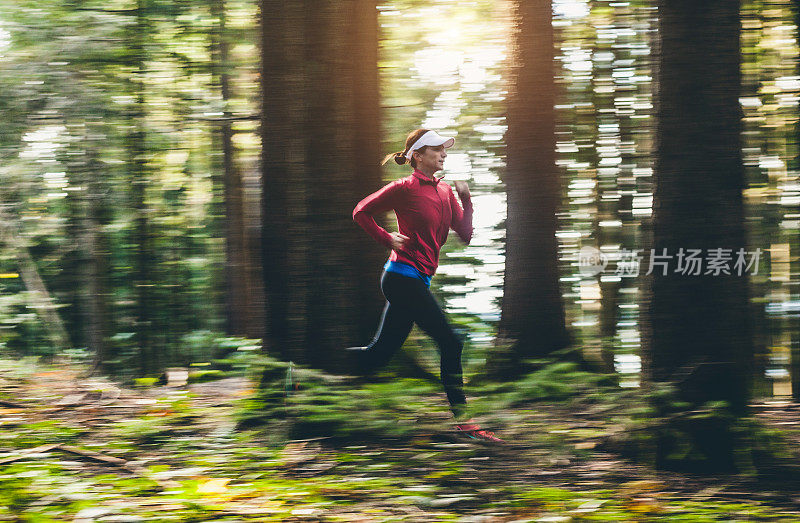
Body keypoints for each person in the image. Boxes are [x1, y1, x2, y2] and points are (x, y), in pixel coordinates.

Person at [347, 128, 503, 444]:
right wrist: (386, 237)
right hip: (400, 276)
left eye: (445, 149)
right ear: (418, 155)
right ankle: (465, 424)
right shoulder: (403, 188)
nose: (443, 153)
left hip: (418, 279)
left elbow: (465, 235)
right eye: (436, 149)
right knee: (451, 342)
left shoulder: (445, 192)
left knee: (378, 355)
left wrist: (467, 201)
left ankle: (306, 368)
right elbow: (360, 212)